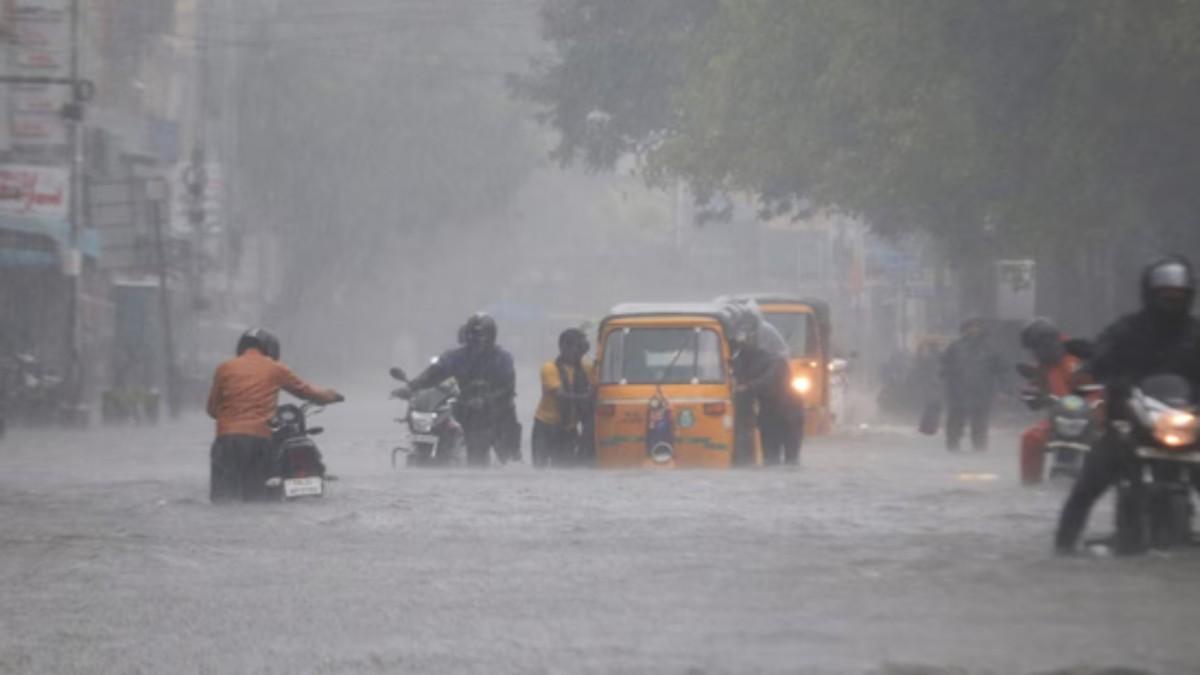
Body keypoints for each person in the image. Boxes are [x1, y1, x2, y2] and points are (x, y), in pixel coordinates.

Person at [1055, 256, 1200, 553]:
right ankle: (1063, 547)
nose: (1172, 300)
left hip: (1187, 425)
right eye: (1165, 294)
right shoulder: (1128, 329)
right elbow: (1100, 353)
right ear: (1150, 294)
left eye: (1178, 295)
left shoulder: (1196, 333)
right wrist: (1092, 368)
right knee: (1087, 485)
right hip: (1131, 423)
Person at [206, 328, 343, 503]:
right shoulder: (275, 368)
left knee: (223, 501)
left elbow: (211, 410)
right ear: (270, 348)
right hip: (258, 440)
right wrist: (330, 395)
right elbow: (305, 391)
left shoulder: (224, 368)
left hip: (226, 441)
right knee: (257, 501)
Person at [410, 313, 521, 466]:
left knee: (493, 452)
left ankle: (507, 457)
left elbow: (508, 387)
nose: (475, 339)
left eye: (480, 335)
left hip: (493, 412)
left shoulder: (502, 359)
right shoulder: (455, 357)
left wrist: (486, 399)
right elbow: (434, 373)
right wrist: (411, 386)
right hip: (461, 407)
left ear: (491, 336)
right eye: (472, 334)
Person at [729, 307, 802, 466]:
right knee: (770, 458)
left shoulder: (777, 360)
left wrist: (746, 388)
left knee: (790, 460)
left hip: (788, 414)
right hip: (767, 413)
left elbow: (768, 380)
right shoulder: (745, 357)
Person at [1017, 318, 1081, 484]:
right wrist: (1032, 394)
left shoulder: (1077, 356)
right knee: (1031, 437)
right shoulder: (1045, 361)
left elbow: (1097, 387)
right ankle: (1030, 483)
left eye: (1034, 348)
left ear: (1043, 342)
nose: (1033, 353)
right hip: (1059, 418)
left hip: (1090, 418)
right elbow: (1038, 384)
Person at [939, 318, 1007, 451]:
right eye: (970, 327)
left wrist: (1004, 389)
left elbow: (1001, 369)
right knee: (955, 419)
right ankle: (953, 444)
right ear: (965, 329)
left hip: (982, 391)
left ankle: (979, 446)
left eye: (977, 327)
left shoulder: (990, 348)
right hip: (957, 390)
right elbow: (944, 364)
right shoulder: (955, 347)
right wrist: (943, 375)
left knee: (980, 422)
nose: (973, 330)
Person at [532, 328, 594, 467]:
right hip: (545, 427)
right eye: (576, 348)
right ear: (563, 347)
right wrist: (584, 398)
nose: (579, 353)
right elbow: (559, 395)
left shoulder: (585, 369)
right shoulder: (549, 368)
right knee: (539, 468)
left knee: (566, 469)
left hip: (569, 429)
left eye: (581, 349)